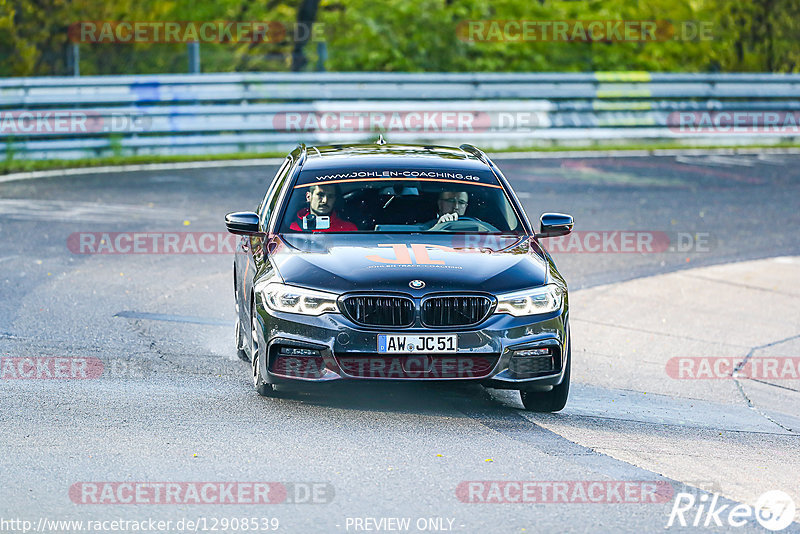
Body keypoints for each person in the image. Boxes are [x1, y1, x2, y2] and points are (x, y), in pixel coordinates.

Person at [289, 184, 358, 232]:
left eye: (330, 196)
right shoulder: (293, 229)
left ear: (335, 199)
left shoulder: (348, 229)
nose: (325, 201)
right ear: (308, 197)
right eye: (320, 195)